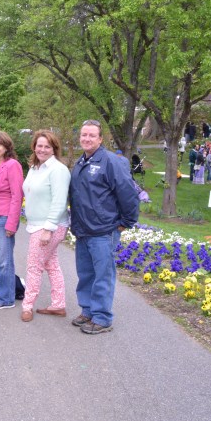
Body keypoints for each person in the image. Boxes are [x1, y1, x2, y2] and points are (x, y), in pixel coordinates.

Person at [69, 119, 139, 334]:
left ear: (100, 139)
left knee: (103, 275)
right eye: (84, 135)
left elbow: (128, 194)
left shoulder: (110, 162)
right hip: (83, 231)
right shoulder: (80, 162)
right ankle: (88, 310)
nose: (86, 138)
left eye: (91, 135)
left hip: (103, 231)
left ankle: (102, 317)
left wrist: (125, 223)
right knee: (86, 274)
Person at [20, 130, 71, 322]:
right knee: (51, 264)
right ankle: (58, 304)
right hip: (36, 225)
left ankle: (27, 306)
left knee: (34, 266)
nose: (42, 149)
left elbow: (59, 201)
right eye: (39, 145)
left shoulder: (58, 170)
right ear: (34, 147)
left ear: (54, 149)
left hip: (49, 226)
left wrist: (48, 229)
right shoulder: (36, 168)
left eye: (47, 146)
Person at [0, 131, 24, 310]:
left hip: (5, 217)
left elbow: (17, 195)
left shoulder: (12, 165)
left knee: (5, 259)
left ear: (7, 147)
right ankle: (4, 291)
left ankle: (6, 298)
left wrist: (12, 223)